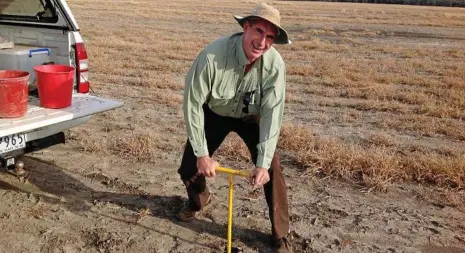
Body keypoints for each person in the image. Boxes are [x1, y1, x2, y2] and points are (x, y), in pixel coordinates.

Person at [177, 3, 292, 252]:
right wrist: (202, 155)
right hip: (215, 112)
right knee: (188, 167)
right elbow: (193, 104)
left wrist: (261, 164)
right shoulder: (211, 57)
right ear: (246, 27)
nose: (262, 42)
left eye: (270, 36)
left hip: (251, 117)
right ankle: (199, 201)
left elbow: (273, 114)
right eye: (259, 31)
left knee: (272, 168)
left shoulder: (274, 66)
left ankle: (280, 234)